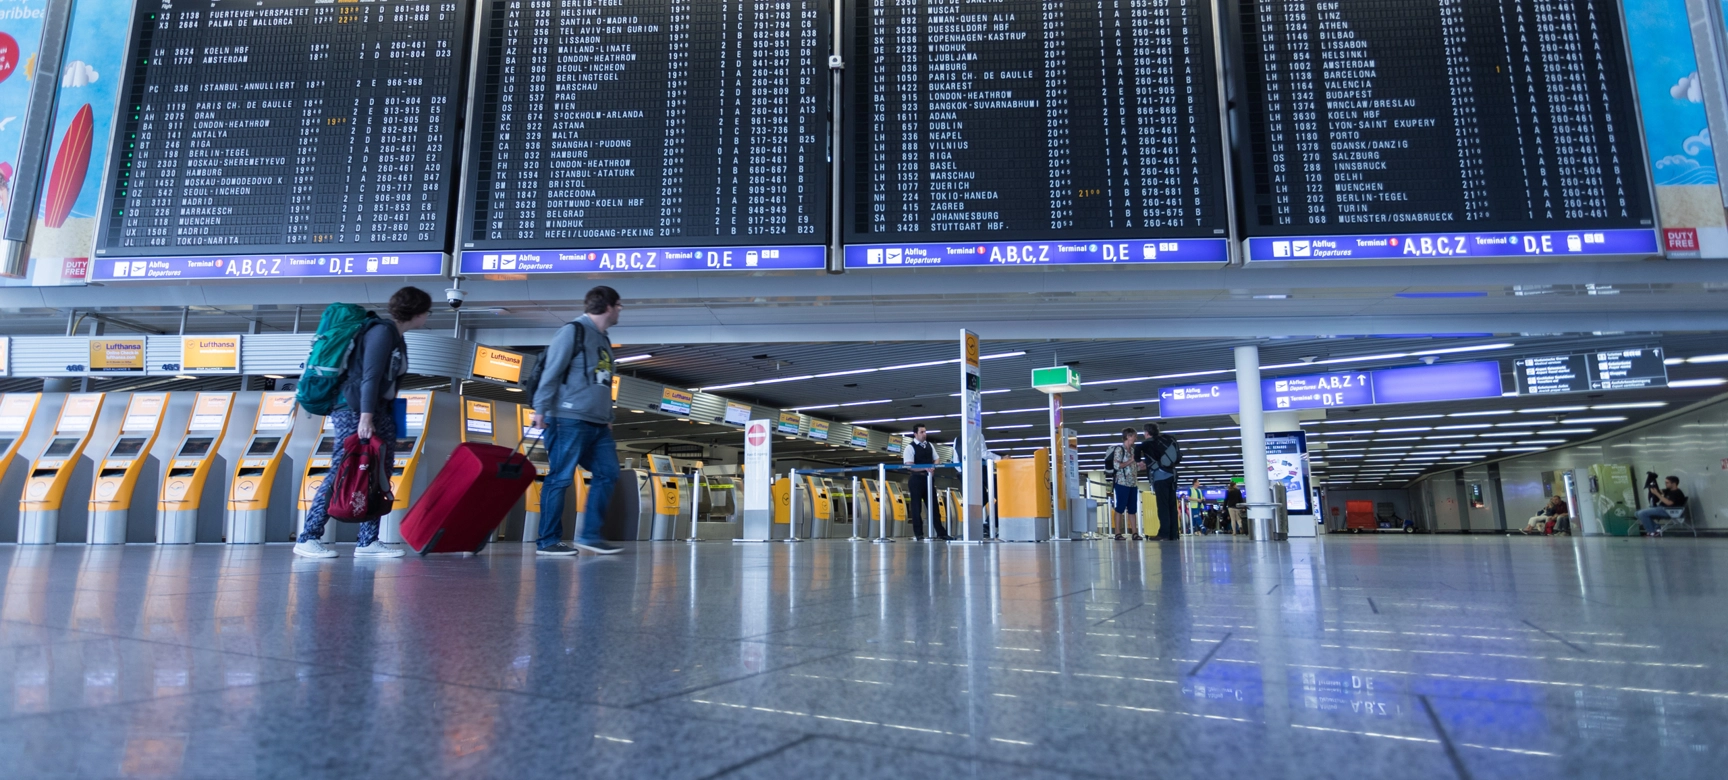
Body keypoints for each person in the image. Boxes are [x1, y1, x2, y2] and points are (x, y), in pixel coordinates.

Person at [294, 287, 432, 559]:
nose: (427, 316)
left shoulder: (396, 336)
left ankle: (368, 541)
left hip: (379, 410)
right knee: (342, 469)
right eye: (427, 311)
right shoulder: (382, 332)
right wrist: (366, 417)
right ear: (418, 313)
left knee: (380, 472)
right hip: (355, 409)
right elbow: (369, 376)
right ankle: (308, 537)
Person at [530, 286, 626, 556]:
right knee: (560, 477)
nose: (620, 310)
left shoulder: (604, 339)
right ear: (608, 306)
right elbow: (552, 370)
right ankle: (548, 541)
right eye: (618, 305)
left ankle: (589, 536)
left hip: (597, 423)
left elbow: (603, 383)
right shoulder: (574, 331)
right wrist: (540, 408)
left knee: (608, 472)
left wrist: (607, 416)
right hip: (567, 418)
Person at [903, 424, 952, 540]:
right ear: (915, 434)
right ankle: (919, 534)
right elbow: (909, 465)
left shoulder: (929, 445)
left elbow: (937, 458)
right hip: (916, 479)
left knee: (934, 506)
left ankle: (941, 533)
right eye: (922, 432)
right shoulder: (909, 448)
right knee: (916, 507)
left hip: (928, 479)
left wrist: (933, 466)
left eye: (925, 432)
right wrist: (925, 468)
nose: (924, 434)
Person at [1137, 423, 1181, 541]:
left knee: (1163, 506)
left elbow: (1147, 459)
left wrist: (1141, 463)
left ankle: (1164, 534)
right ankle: (1173, 534)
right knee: (1172, 506)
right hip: (1172, 476)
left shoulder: (1147, 443)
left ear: (1146, 432)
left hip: (1160, 478)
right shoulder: (1166, 440)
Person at [1102, 428, 1143, 540]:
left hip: (1133, 483)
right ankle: (1118, 533)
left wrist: (1140, 466)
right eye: (1134, 436)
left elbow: (1133, 467)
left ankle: (1134, 532)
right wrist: (1131, 460)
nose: (1136, 438)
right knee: (1120, 507)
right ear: (1128, 436)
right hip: (1121, 483)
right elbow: (1117, 465)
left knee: (1132, 508)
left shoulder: (1133, 451)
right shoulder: (1120, 450)